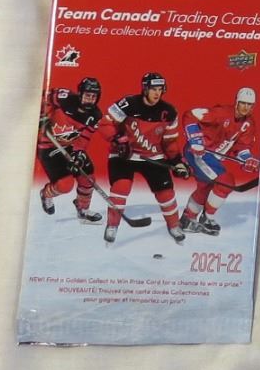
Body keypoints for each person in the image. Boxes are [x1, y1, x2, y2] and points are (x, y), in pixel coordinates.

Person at [91, 71, 184, 245]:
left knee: (166, 193)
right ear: (145, 89)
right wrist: (117, 139)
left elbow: (169, 142)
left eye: (160, 89)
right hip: (124, 154)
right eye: (154, 89)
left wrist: (177, 161)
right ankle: (112, 225)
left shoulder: (169, 112)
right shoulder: (128, 103)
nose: (157, 93)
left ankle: (174, 225)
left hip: (153, 156)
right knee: (120, 188)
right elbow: (104, 123)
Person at [176, 87, 260, 236]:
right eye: (243, 103)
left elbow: (242, 147)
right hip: (197, 152)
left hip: (212, 157)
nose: (245, 107)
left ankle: (187, 220)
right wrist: (195, 140)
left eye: (249, 104)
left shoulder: (249, 124)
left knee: (205, 187)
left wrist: (248, 159)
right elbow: (190, 115)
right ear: (236, 102)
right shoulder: (221, 113)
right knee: (226, 181)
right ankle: (207, 218)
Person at [38, 77, 104, 222]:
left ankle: (83, 208)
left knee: (88, 177)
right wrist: (42, 114)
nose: (90, 99)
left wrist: (78, 154)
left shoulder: (95, 115)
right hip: (48, 146)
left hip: (68, 146)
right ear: (80, 93)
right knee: (65, 185)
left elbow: (84, 137)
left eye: (94, 96)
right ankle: (46, 194)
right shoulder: (64, 97)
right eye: (87, 95)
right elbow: (42, 97)